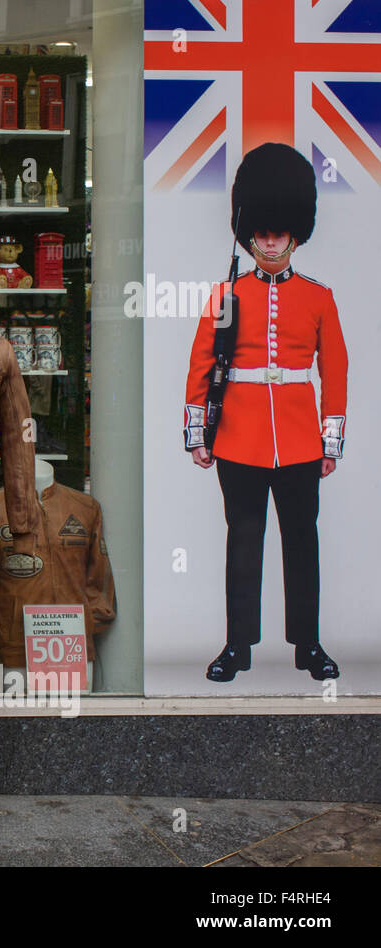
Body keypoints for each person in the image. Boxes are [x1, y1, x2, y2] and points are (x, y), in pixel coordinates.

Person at [183, 143, 346, 682]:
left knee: (303, 543)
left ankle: (308, 645)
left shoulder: (319, 298)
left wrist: (331, 439)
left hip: (300, 440)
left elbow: (335, 372)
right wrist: (197, 434)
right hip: (238, 438)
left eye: (280, 232)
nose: (271, 240)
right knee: (244, 543)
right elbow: (201, 367)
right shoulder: (224, 295)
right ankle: (238, 646)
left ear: (296, 233)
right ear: (247, 232)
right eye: (263, 231)